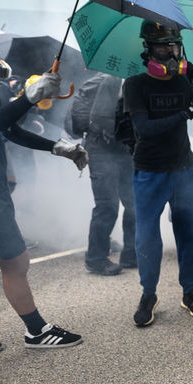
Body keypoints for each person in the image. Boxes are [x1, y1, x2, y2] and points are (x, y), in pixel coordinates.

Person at [0, 21, 86, 356]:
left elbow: (8, 129)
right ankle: (37, 331)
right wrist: (28, 97)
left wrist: (56, 147)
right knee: (15, 260)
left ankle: (36, 331)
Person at [123, 20, 193, 327]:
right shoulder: (135, 85)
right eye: (163, 45)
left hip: (184, 169)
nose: (170, 51)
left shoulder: (186, 80)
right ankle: (148, 294)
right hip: (149, 171)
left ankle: (189, 291)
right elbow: (144, 130)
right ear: (148, 49)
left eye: (174, 45)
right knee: (147, 237)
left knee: (188, 232)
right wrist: (184, 112)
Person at [68, 72, 136, 275]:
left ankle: (131, 254)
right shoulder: (97, 83)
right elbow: (77, 124)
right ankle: (96, 259)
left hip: (126, 149)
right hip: (100, 149)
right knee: (107, 206)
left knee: (134, 204)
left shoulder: (135, 81)